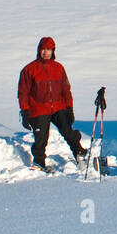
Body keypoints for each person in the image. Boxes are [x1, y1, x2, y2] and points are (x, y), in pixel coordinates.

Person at [17, 36, 86, 170]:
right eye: (43, 49)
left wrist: (69, 108)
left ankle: (79, 153)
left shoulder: (58, 68)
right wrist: (25, 111)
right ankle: (39, 162)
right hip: (38, 108)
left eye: (49, 50)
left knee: (67, 131)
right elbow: (23, 93)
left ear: (53, 51)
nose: (46, 52)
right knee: (41, 138)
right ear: (39, 50)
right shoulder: (29, 69)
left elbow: (66, 90)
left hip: (58, 106)